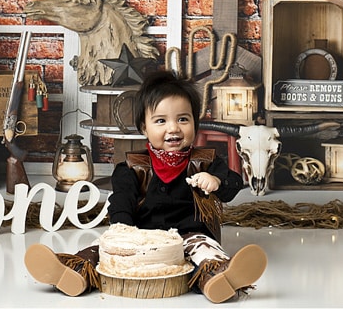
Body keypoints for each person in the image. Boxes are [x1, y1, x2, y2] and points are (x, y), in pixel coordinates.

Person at [24, 70, 267, 303]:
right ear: (144, 128)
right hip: (139, 236)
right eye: (160, 121)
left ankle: (219, 278)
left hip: (189, 235)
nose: (173, 128)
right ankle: (73, 271)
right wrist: (122, 232)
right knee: (101, 247)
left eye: (183, 119)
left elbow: (234, 184)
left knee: (204, 250)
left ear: (195, 122)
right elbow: (121, 201)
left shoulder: (206, 161)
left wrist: (216, 182)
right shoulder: (132, 166)